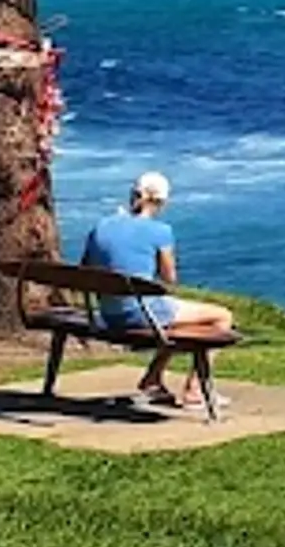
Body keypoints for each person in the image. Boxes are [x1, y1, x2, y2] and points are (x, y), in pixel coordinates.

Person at [79, 172, 231, 410]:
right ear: (160, 202)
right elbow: (170, 279)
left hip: (108, 315)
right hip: (141, 314)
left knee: (168, 319)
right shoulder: (160, 231)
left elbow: (85, 269)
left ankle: (153, 379)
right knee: (222, 317)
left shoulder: (102, 226)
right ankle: (195, 390)